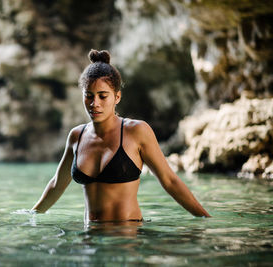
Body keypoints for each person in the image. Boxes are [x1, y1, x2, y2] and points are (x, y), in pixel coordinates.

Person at [32, 49, 210, 223]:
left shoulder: (137, 131)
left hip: (127, 236)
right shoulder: (76, 136)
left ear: (117, 97)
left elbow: (169, 180)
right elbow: (57, 184)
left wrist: (205, 218)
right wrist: (32, 215)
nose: (95, 104)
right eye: (89, 96)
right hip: (90, 239)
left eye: (103, 96)